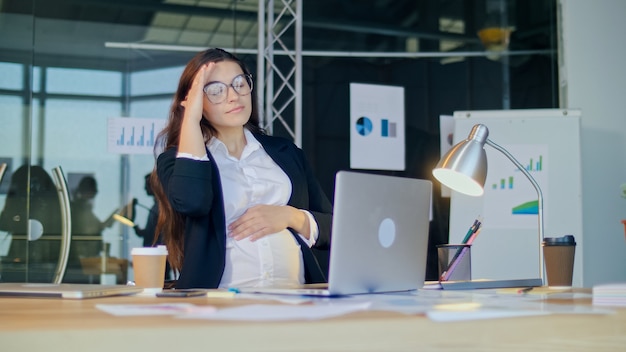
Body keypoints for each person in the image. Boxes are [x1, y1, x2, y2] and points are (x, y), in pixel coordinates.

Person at [151, 48, 332, 289]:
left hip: (297, 296)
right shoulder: (177, 160)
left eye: (239, 83)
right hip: (219, 302)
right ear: (195, 102)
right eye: (215, 91)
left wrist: (290, 215)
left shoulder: (286, 152)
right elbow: (193, 201)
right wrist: (191, 120)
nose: (233, 96)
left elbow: (334, 227)